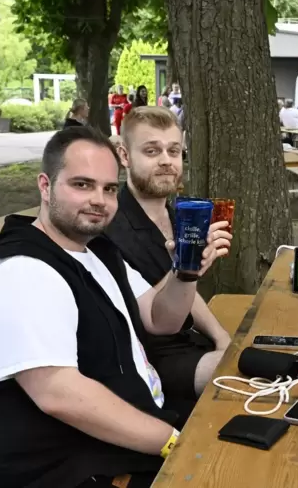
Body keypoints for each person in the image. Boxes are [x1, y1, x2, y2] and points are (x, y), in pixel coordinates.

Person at [0, 126, 231, 487]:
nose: (99, 199)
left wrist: (186, 273)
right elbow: (58, 394)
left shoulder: (97, 249)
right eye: (82, 185)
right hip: (70, 467)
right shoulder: (22, 269)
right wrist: (174, 442)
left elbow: (161, 319)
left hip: (135, 429)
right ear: (45, 186)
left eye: (109, 188)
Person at [106, 106, 232, 419]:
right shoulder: (109, 228)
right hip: (147, 362)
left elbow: (188, 293)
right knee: (248, 377)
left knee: (264, 362)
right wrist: (186, 266)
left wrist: (223, 339)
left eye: (174, 151)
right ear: (124, 156)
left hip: (189, 344)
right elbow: (161, 321)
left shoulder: (178, 215)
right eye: (152, 150)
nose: (166, 160)